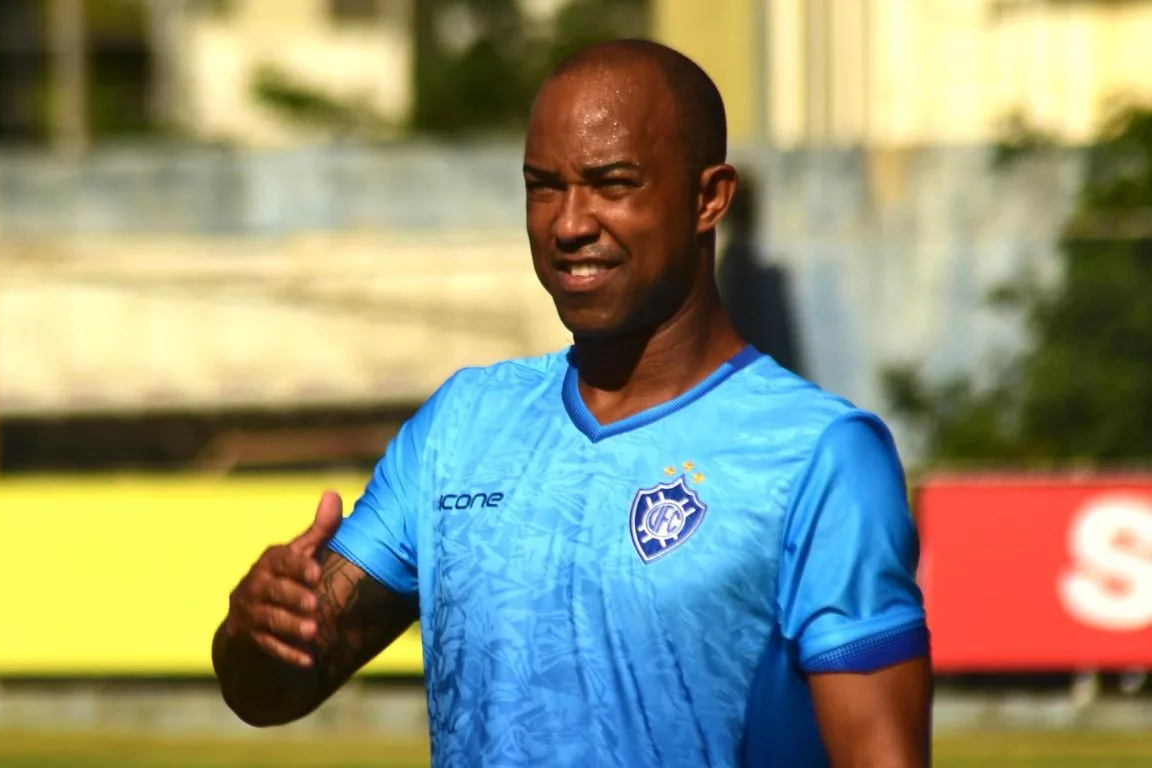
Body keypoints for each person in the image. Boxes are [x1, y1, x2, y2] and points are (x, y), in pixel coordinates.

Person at [213, 39, 931, 767]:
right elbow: (273, 688)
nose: (568, 223)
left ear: (708, 197)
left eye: (611, 184)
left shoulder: (821, 456)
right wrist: (256, 628)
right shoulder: (462, 426)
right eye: (543, 186)